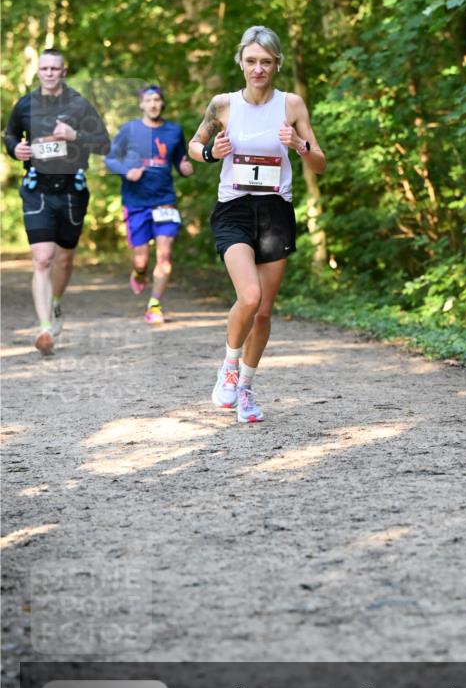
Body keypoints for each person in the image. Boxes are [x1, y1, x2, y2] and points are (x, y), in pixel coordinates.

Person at [188, 25, 326, 423]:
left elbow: (319, 162)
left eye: (266, 62)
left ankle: (245, 389)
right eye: (251, 61)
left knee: (263, 312)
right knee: (248, 296)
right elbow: (195, 146)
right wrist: (212, 152)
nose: (258, 69)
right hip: (233, 209)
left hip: (275, 211)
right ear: (241, 63)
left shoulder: (292, 105)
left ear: (277, 64)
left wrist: (298, 146)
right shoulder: (223, 105)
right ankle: (229, 367)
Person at [3, 47, 110, 355]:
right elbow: (9, 135)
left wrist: (75, 135)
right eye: (44, 69)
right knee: (42, 259)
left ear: (63, 72)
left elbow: (104, 144)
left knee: (64, 258)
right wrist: (15, 150)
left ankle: (57, 303)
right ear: (38, 71)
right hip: (37, 189)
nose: (49, 73)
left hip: (72, 191)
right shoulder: (25, 105)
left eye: (55, 69)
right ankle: (44, 328)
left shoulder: (79, 105)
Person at [104, 85, 193, 324]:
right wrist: (127, 171)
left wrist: (185, 169)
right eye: (149, 100)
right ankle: (140, 272)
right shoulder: (129, 130)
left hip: (165, 201)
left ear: (162, 103)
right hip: (135, 202)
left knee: (165, 255)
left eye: (157, 100)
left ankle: (154, 304)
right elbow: (110, 159)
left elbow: (180, 161)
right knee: (141, 258)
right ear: (141, 104)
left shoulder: (174, 131)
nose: (153, 104)